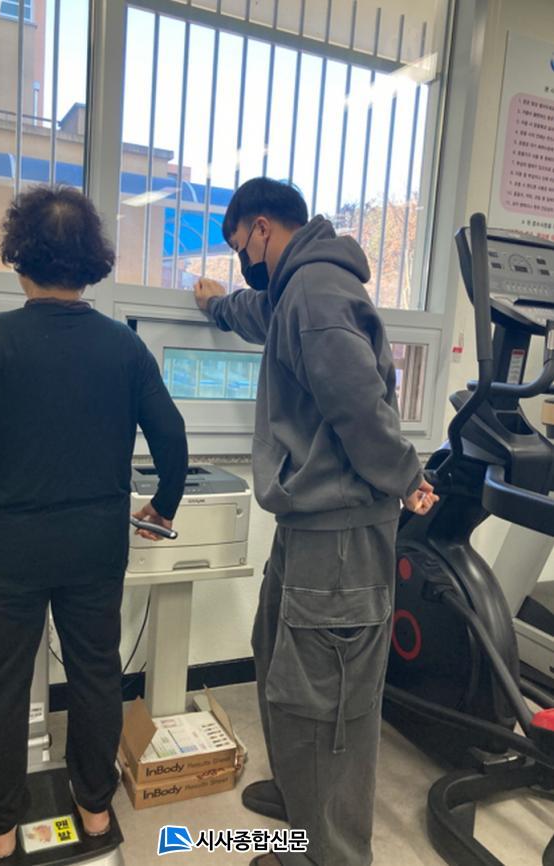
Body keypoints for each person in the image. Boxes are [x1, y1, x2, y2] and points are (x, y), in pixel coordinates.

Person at [0, 185, 188, 859]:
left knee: (2, 682)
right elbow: (172, 436)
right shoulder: (124, 348)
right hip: (94, 545)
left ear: (20, 257)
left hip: (8, 548)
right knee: (96, 673)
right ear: (91, 261)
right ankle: (94, 811)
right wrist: (164, 505)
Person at [193, 177, 437, 866]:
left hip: (341, 536)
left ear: (262, 228)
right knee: (276, 652)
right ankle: (303, 798)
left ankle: (328, 851)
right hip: (310, 526)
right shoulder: (297, 288)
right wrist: (216, 305)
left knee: (328, 701)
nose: (243, 260)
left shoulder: (317, 291)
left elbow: (360, 405)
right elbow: (261, 313)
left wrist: (408, 478)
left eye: (241, 246)